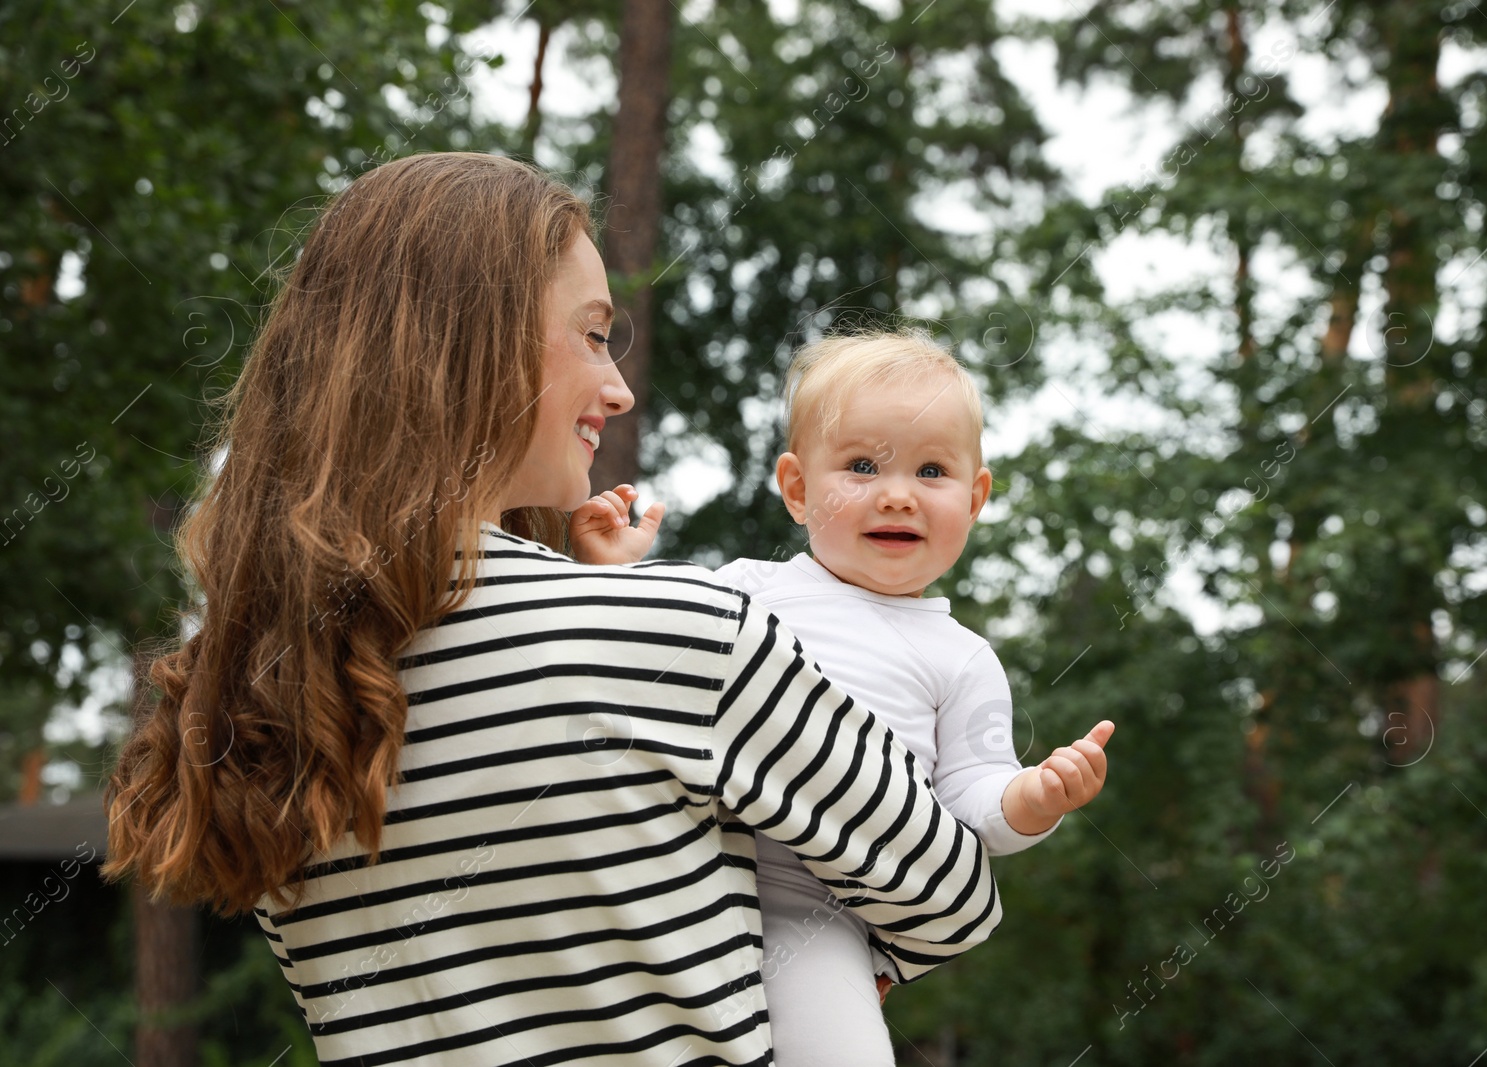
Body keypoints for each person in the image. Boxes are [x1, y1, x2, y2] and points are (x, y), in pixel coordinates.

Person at [101, 153, 1001, 1067]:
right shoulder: (683, 639)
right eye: (594, 334)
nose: (620, 388)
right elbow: (953, 891)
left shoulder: (275, 692)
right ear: (470, 345)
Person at [713, 331, 1115, 1065]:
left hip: (817, 911)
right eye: (862, 465)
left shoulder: (961, 659)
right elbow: (642, 649)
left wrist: (1035, 797)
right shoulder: (747, 588)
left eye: (931, 469)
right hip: (690, 862)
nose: (897, 492)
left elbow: (971, 795)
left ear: (975, 495)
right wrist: (616, 564)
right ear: (797, 488)